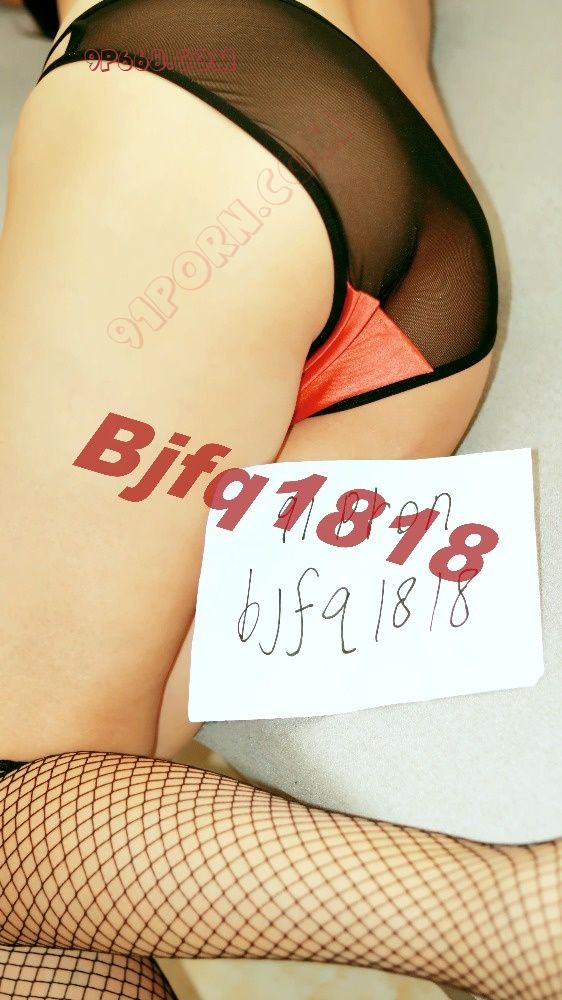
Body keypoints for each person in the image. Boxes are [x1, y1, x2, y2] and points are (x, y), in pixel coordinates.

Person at [0, 1, 559, 998]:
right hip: (423, 284)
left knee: (17, 790)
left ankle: (516, 915)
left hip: (188, 129)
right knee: (63, 815)